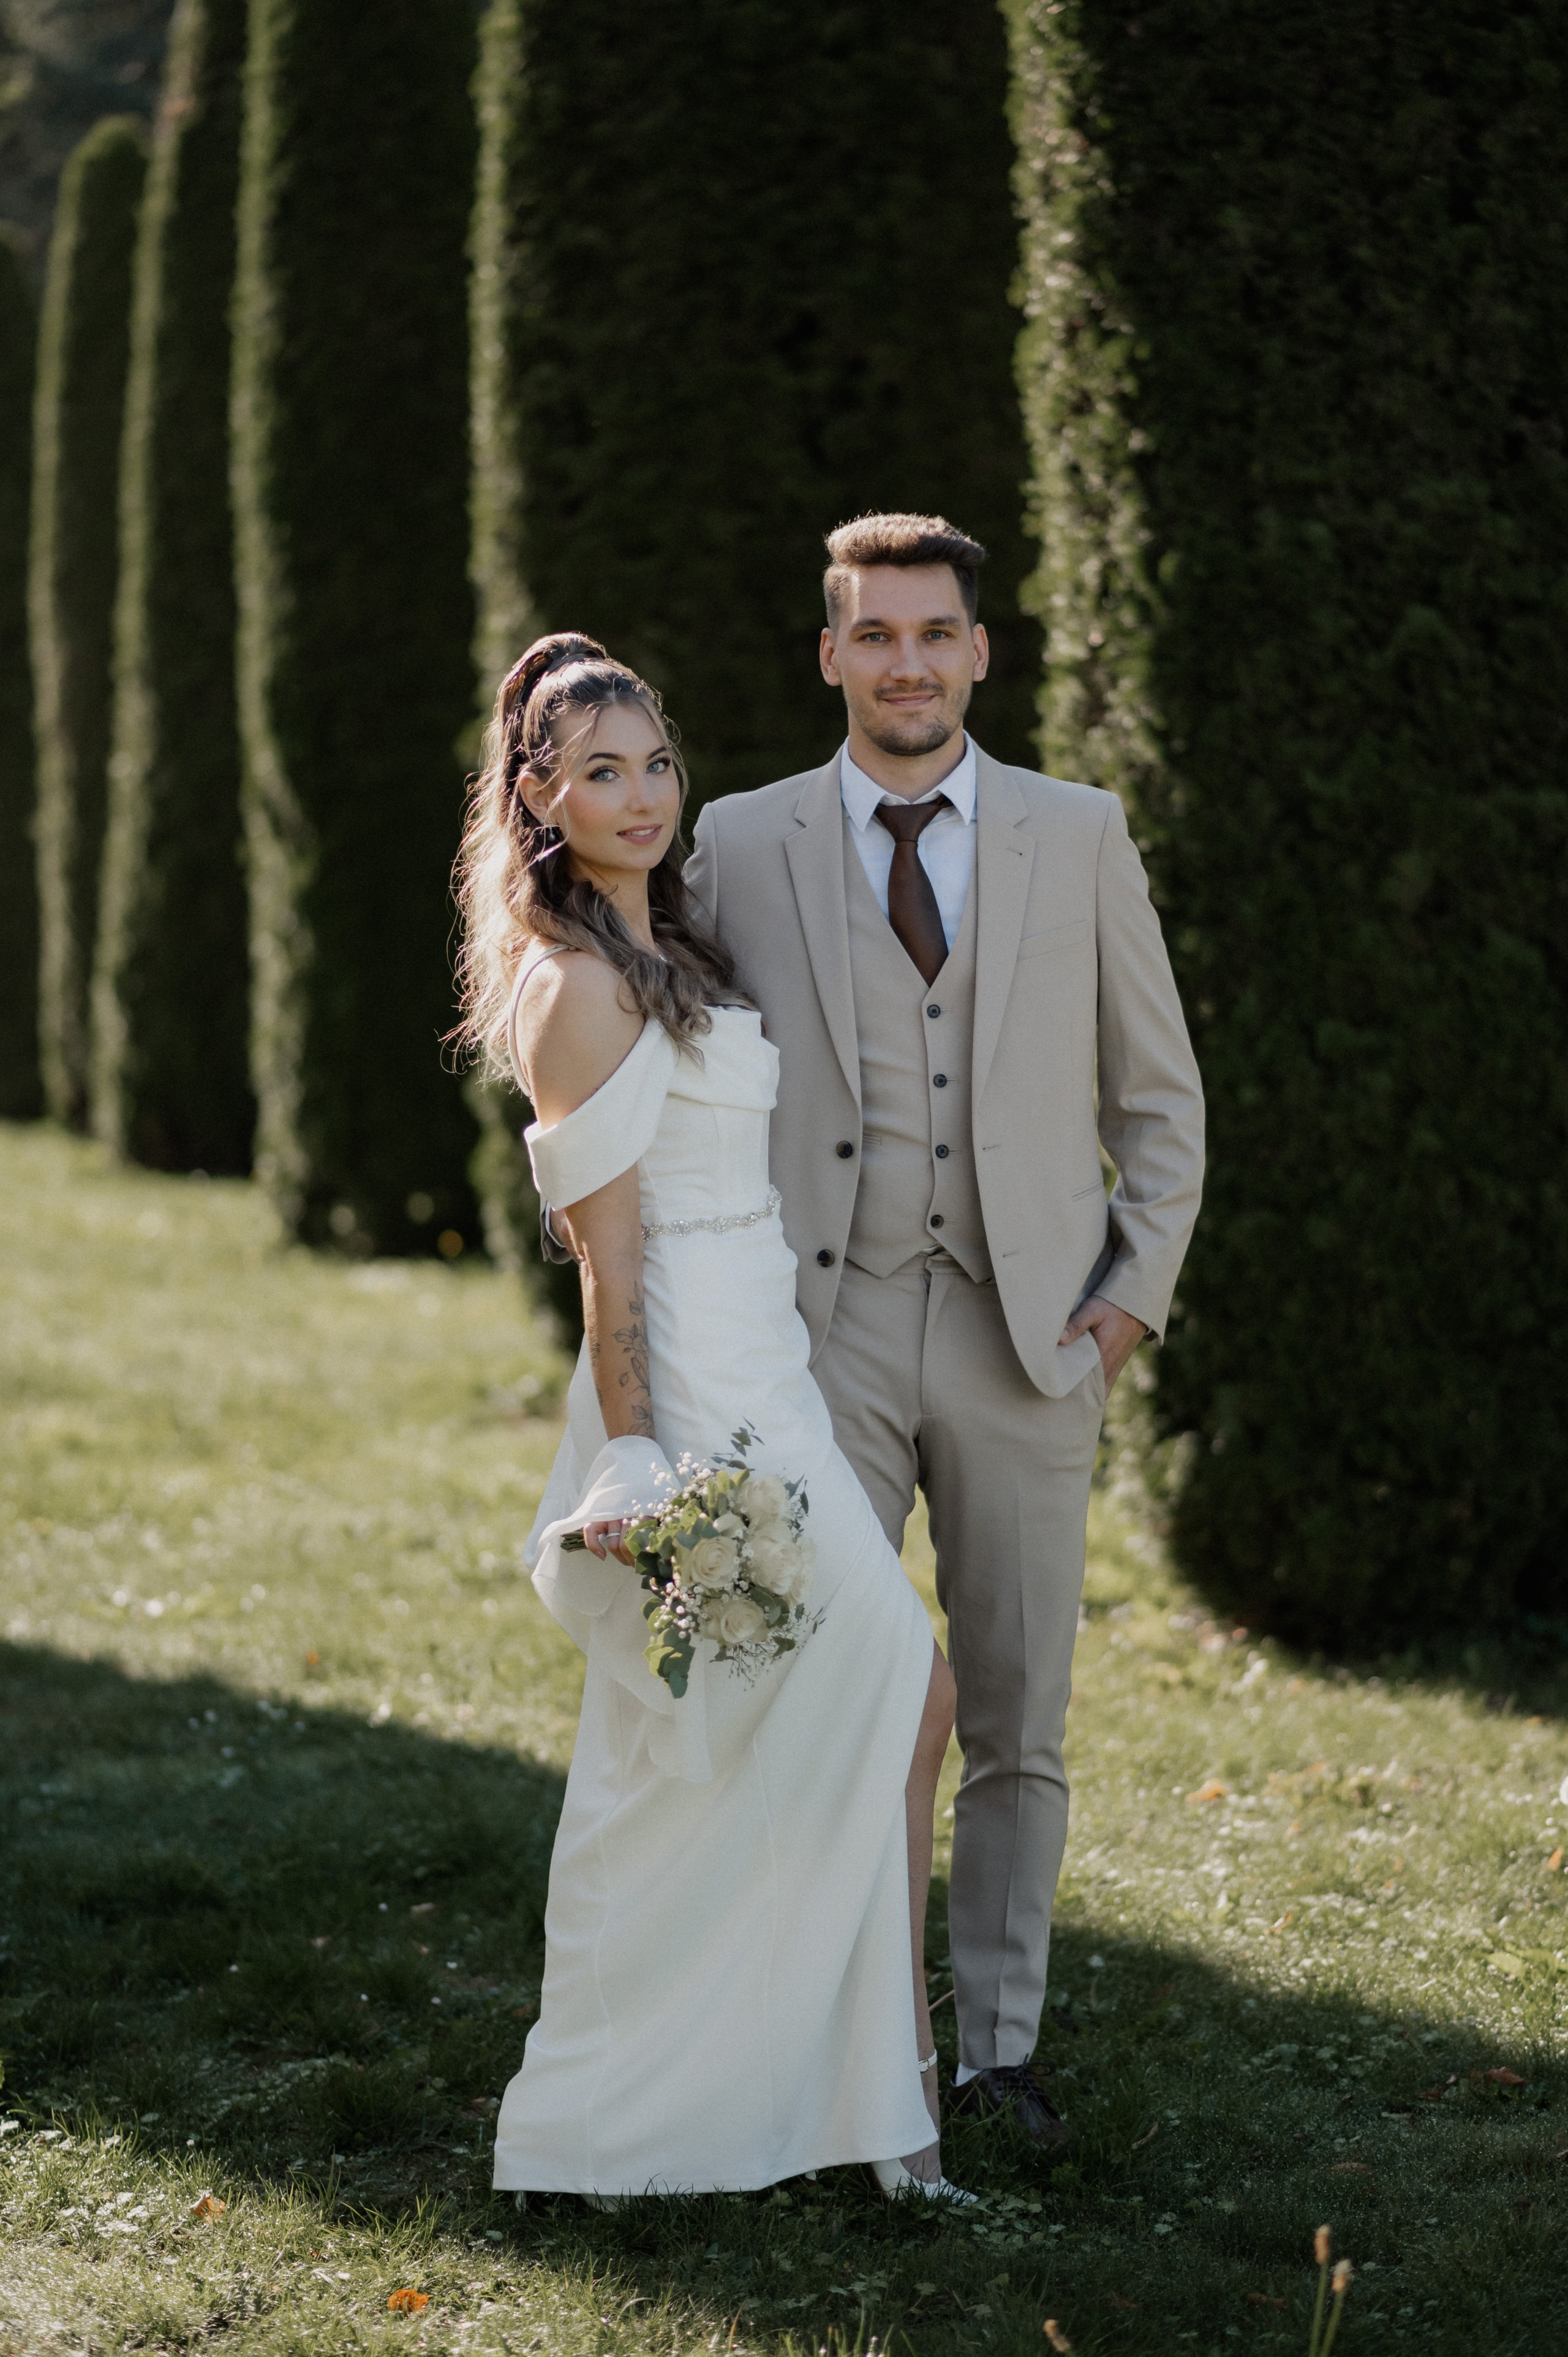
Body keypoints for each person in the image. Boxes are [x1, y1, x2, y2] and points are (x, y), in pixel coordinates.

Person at [685, 512, 1205, 2152]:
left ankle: (998, 2053)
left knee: (1015, 1718)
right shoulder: (739, 841)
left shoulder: (1080, 832)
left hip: (1028, 1338)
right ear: (829, 652)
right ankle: (839, 2043)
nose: (906, 661)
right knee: (817, 1699)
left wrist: (1119, 1314)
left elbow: (1162, 1104)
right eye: (874, 632)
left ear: (981, 652)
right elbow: (679, 1081)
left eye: (935, 632)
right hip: (818, 1339)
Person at [453, 632, 968, 2201]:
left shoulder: (665, 944)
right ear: (537, 794)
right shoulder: (575, 983)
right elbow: (609, 1275)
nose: (642, 795)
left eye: (654, 764)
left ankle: (851, 2095)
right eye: (600, 772)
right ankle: (654, 2112)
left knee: (849, 1714)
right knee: (811, 1713)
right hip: (700, 1401)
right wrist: (642, 1461)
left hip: (775, 1373)